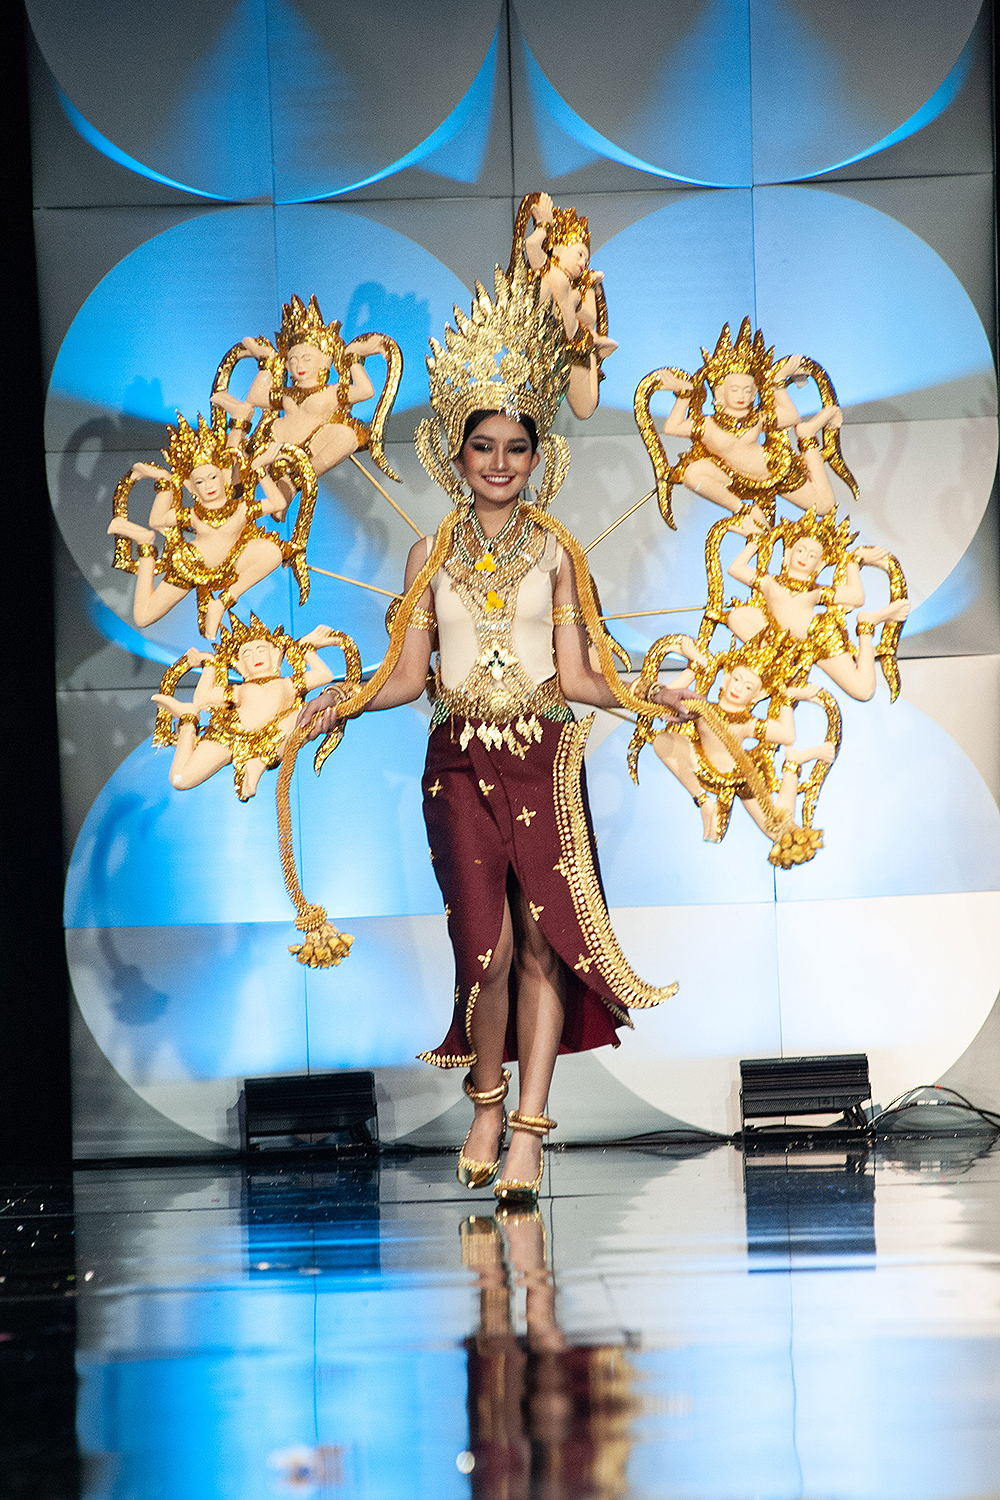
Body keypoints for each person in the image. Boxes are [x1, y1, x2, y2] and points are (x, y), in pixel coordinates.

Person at [298, 264, 686, 1205]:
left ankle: (528, 1130)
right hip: (458, 761)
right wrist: (341, 700)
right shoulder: (428, 553)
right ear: (457, 453)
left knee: (548, 939)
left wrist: (645, 699)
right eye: (484, 446)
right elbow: (404, 676)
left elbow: (584, 674)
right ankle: (484, 1096)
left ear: (535, 453)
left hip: (546, 757)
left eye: (517, 445)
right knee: (489, 946)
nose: (501, 461)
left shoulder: (559, 550)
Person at [633, 318, 858, 532]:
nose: (742, 395)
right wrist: (684, 395)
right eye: (735, 389)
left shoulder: (756, 419)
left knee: (824, 506)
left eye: (748, 390)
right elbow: (671, 428)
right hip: (735, 479)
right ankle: (742, 509)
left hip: (775, 469)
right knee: (692, 474)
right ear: (720, 392)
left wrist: (777, 382)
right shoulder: (707, 425)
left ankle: (808, 437)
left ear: (755, 394)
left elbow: (791, 417)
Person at [108, 413, 313, 639]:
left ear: (223, 477)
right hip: (192, 565)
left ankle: (222, 602)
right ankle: (144, 542)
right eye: (199, 482)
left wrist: (260, 469)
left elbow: (278, 503)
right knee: (143, 617)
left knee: (274, 552)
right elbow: (157, 521)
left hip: (229, 565)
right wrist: (165, 481)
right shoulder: (194, 515)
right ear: (192, 488)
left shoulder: (241, 508)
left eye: (212, 477)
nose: (208, 486)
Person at [210, 293, 402, 497]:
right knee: (240, 472)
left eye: (307, 359)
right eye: (293, 360)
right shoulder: (287, 393)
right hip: (278, 442)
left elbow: (365, 391)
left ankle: (294, 482)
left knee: (347, 437)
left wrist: (353, 357)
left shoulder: (332, 391)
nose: (299, 365)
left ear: (324, 361)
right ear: (286, 365)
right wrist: (266, 361)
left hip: (312, 446)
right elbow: (256, 398)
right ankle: (228, 489)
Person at [152, 615, 349, 801]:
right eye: (247, 653)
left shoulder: (288, 684)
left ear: (275, 654)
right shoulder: (239, 690)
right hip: (231, 737)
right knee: (180, 779)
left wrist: (307, 647)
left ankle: (255, 766)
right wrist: (209, 663)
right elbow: (202, 698)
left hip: (273, 735)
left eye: (261, 650)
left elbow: (324, 675)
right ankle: (187, 721)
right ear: (239, 664)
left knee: (302, 719)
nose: (255, 656)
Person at [509, 192, 617, 420]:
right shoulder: (546, 269)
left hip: (572, 344)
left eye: (586, 260)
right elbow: (530, 244)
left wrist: (588, 293)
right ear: (558, 249)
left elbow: (590, 318)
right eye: (579, 254)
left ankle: (594, 354)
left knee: (585, 409)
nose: (582, 263)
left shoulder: (578, 285)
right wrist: (544, 224)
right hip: (546, 347)